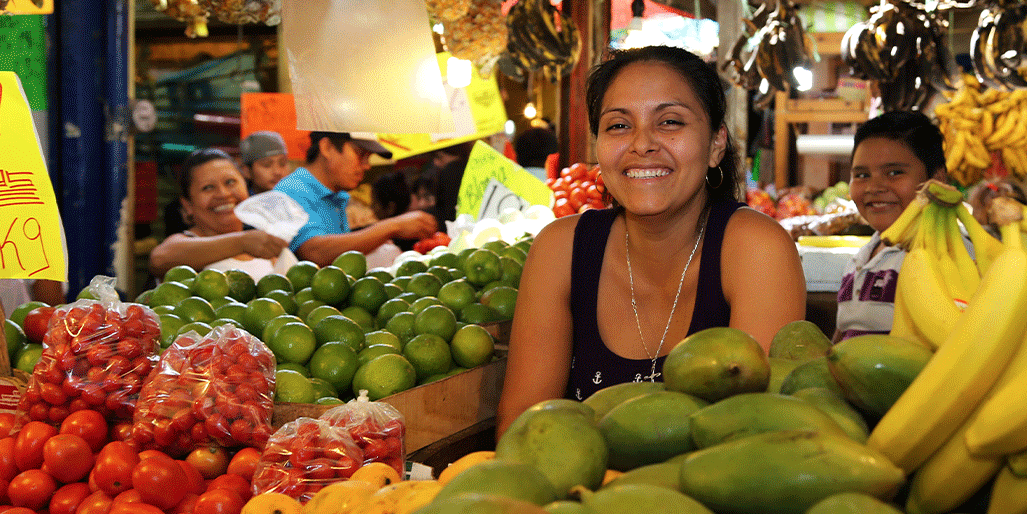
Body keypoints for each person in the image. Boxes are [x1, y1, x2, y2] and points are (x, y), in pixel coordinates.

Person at [496, 46, 808, 433]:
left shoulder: (755, 248)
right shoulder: (560, 249)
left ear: (715, 144)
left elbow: (754, 431)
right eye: (618, 126)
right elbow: (522, 429)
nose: (641, 144)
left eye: (670, 122)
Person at [833, 111, 949, 342]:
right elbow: (845, 331)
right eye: (862, 175)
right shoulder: (861, 258)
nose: (874, 187)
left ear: (936, 180)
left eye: (894, 173)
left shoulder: (944, 256)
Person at [275, 132, 438, 266]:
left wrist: (374, 240)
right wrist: (392, 227)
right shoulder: (292, 190)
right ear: (327, 148)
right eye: (361, 154)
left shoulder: (337, 195)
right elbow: (314, 252)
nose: (367, 166)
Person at [148, 148, 290, 281]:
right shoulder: (183, 243)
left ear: (245, 186)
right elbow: (159, 259)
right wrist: (243, 242)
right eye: (208, 187)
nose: (223, 194)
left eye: (230, 182)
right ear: (188, 205)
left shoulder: (264, 248)